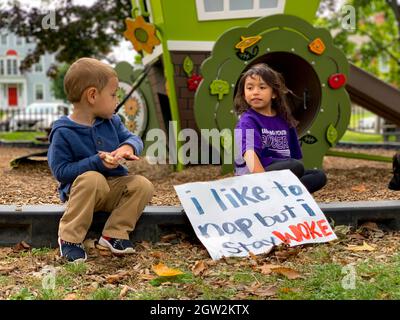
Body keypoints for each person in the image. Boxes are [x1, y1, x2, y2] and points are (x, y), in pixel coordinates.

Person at [48, 57, 154, 262]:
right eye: (113, 95)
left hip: (112, 188)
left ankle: (114, 234)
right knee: (93, 178)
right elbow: (61, 172)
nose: (117, 101)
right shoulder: (63, 131)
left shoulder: (111, 122)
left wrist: (126, 147)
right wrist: (97, 162)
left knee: (142, 184)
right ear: (93, 95)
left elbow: (133, 138)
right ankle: (70, 239)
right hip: (84, 192)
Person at [234, 63, 327, 193]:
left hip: (282, 173)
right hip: (255, 177)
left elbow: (294, 156)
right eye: (250, 88)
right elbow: (249, 155)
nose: (255, 92)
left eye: (262, 87)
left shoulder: (285, 120)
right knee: (295, 166)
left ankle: (282, 193)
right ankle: (274, 193)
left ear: (274, 93)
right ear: (244, 95)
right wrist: (262, 183)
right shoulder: (248, 121)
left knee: (318, 176)